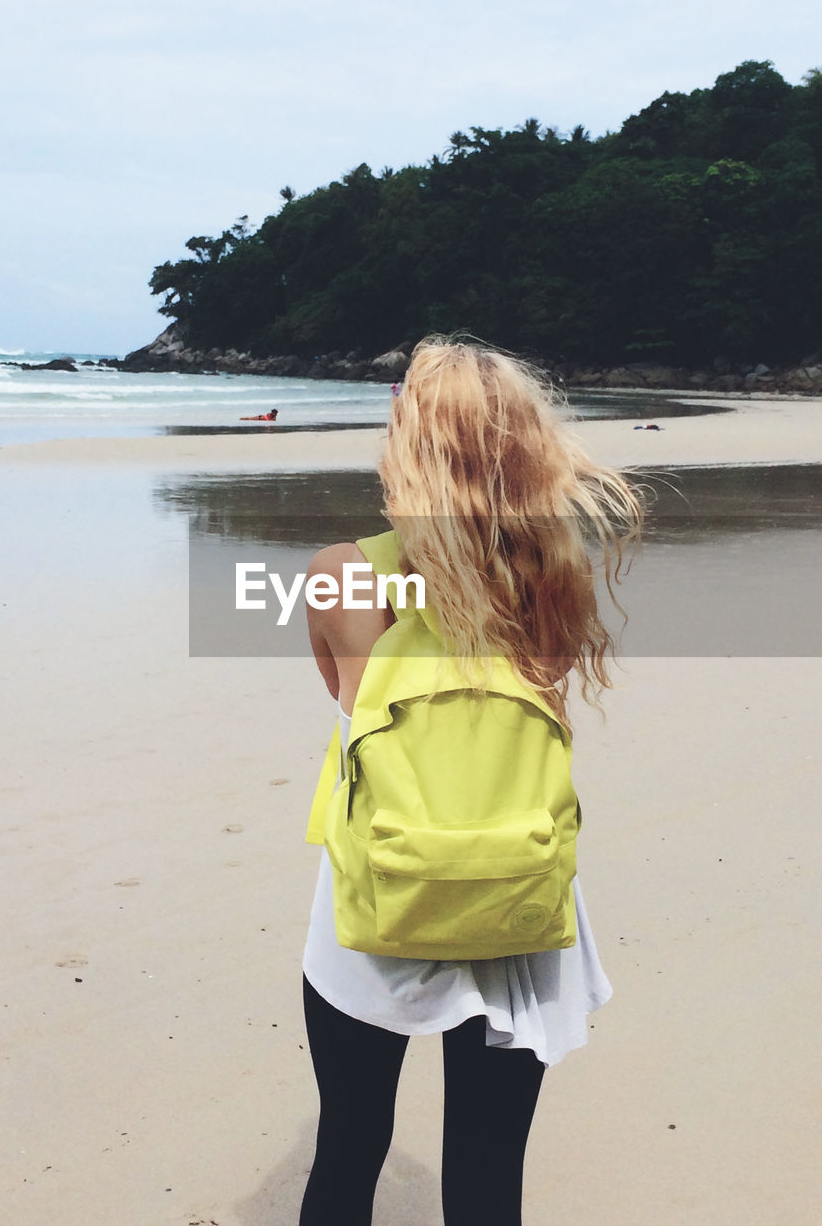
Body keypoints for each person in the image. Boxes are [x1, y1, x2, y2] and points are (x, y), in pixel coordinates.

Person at [299, 337, 643, 1226]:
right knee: (490, 1172)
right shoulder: (551, 579)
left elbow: (347, 699)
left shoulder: (344, 573)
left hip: (381, 888)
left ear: (407, 450)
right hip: (517, 890)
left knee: (350, 1142)